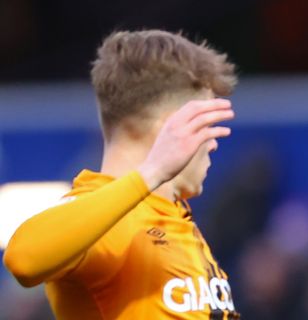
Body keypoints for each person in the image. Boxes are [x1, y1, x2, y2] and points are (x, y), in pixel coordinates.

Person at [3, 30, 240, 319]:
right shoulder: (108, 222)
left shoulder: (172, 217)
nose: (213, 143)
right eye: (203, 126)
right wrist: (152, 172)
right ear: (170, 129)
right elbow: (23, 259)